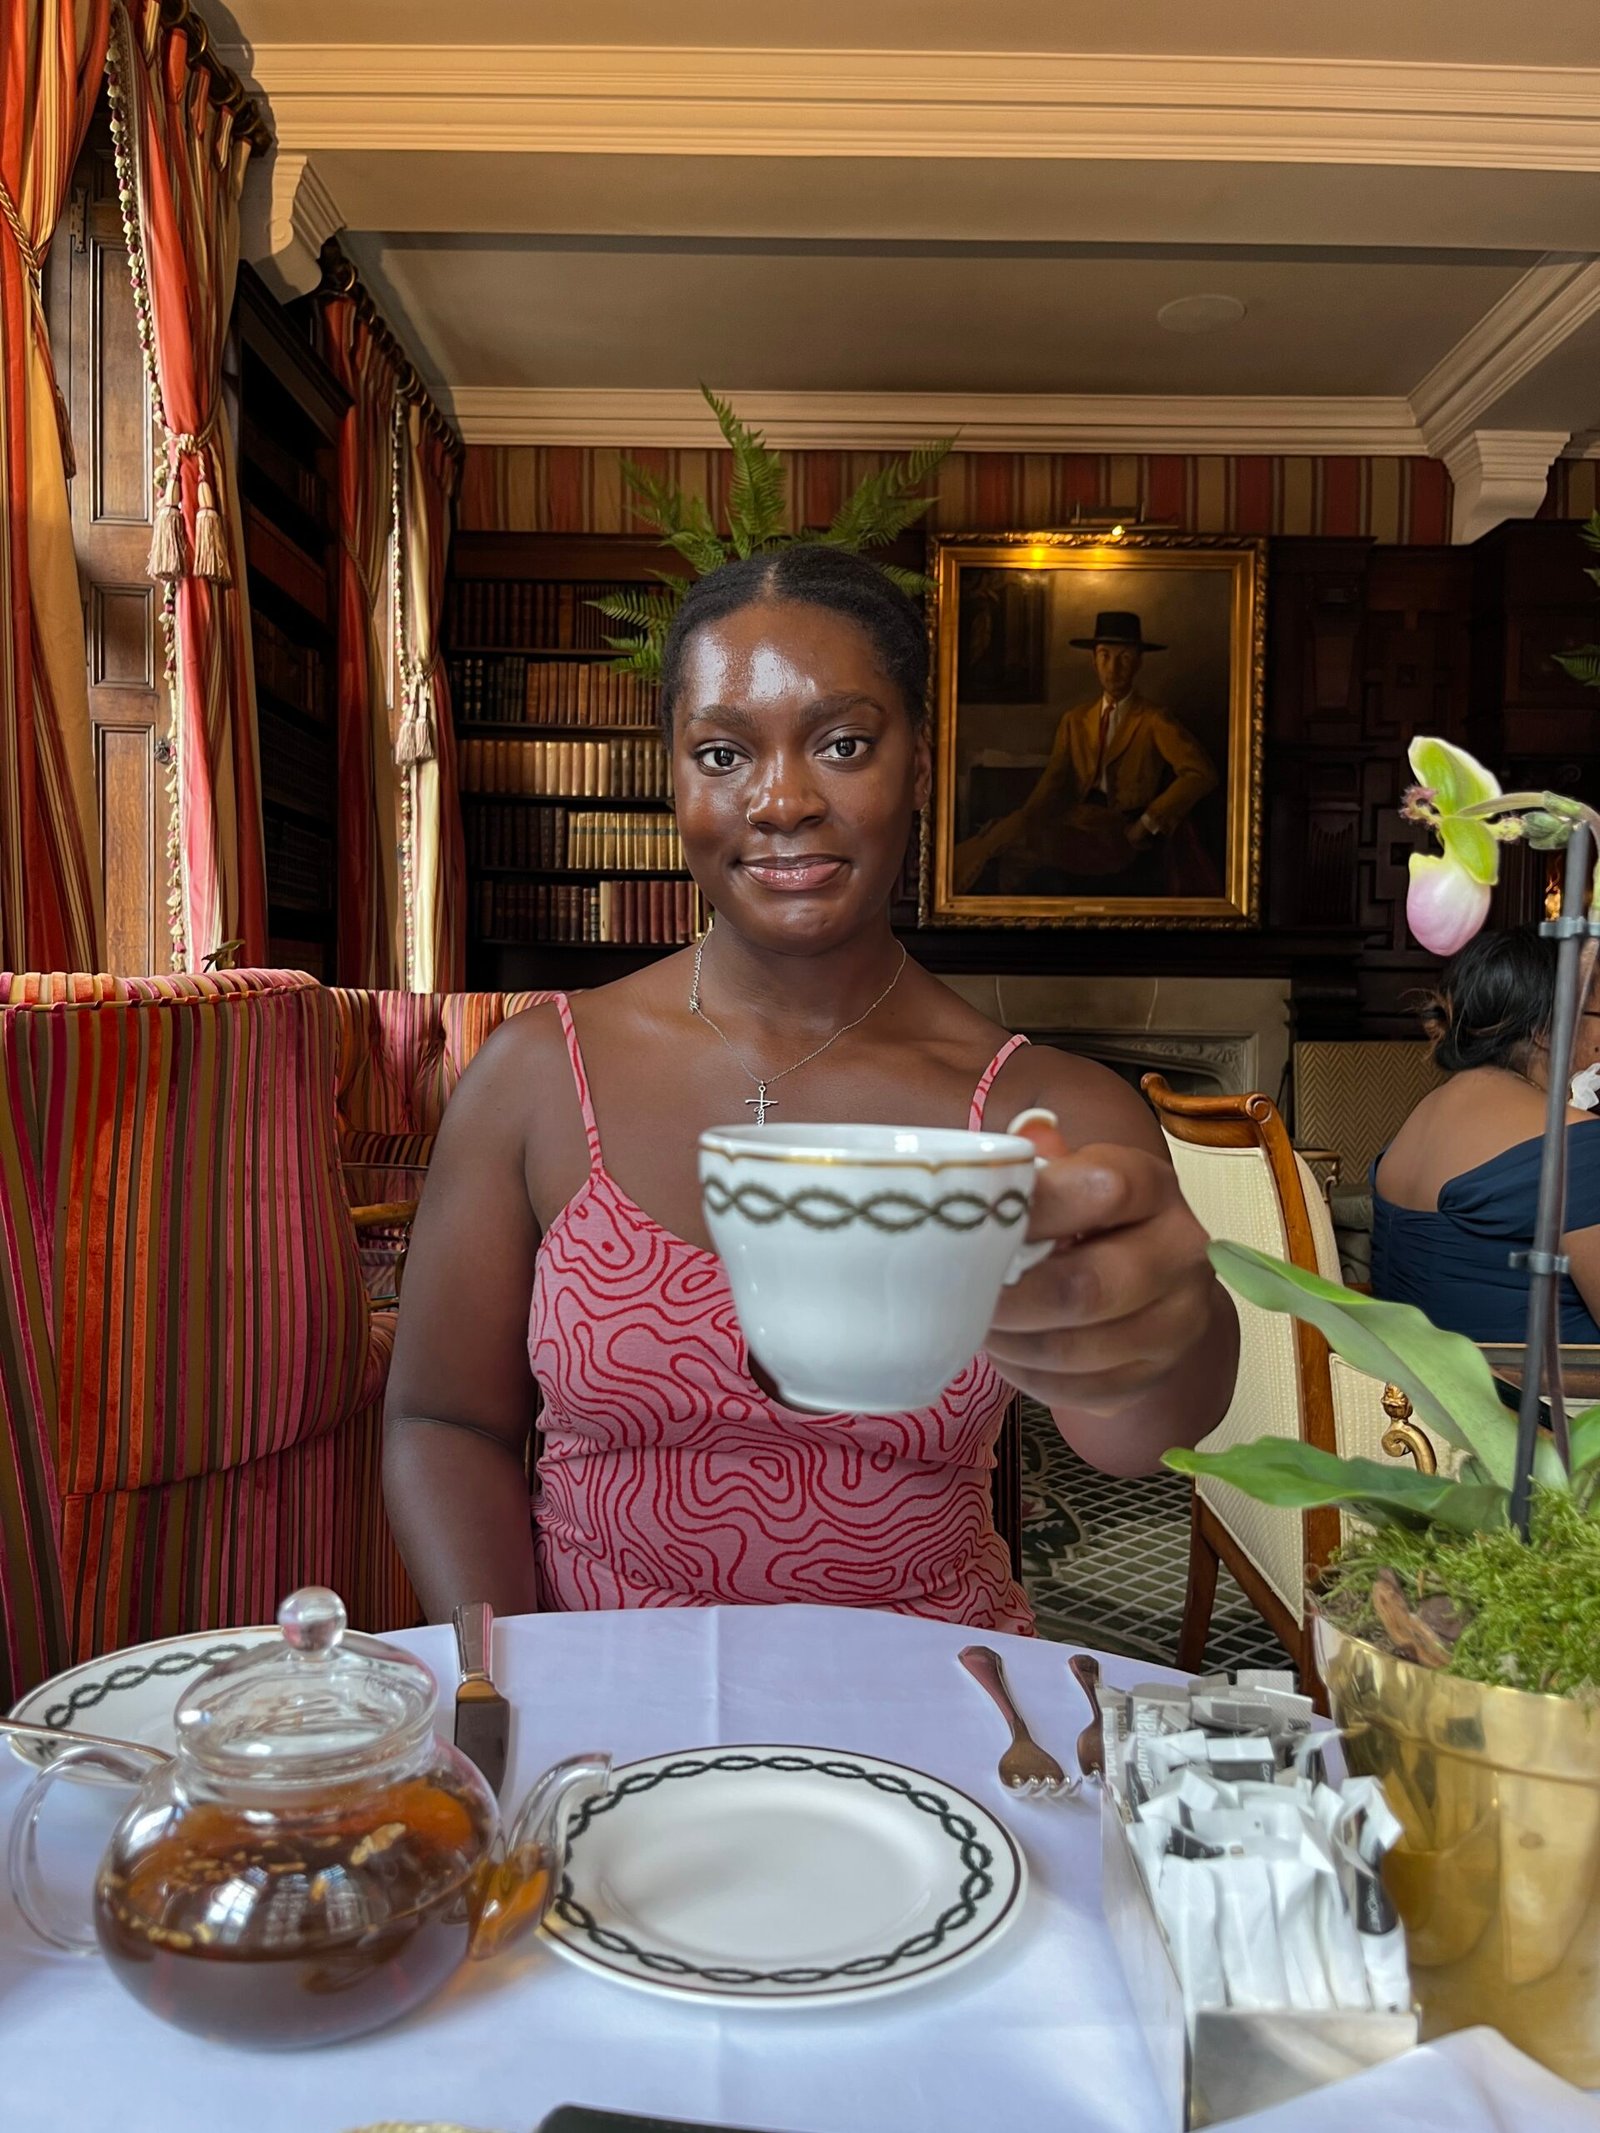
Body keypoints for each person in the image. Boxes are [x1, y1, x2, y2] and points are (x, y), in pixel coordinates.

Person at [383, 547, 1239, 1629]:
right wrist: (504, 1681)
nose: (782, 800)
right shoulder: (538, 1075)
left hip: (935, 1723)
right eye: (723, 753)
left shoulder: (1045, 1112)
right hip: (603, 1712)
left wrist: (1177, 1318)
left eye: (842, 744)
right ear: (676, 779)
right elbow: (441, 1420)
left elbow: (1132, 1440)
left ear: (919, 768)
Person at [1371, 925, 1600, 1343]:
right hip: (1533, 1403)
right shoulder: (1574, 1146)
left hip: (1409, 1397)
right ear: (1545, 1030)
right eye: (1595, 1015)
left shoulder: (1422, 1117)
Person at [953, 610, 1217, 895]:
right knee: (1006, 840)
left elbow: (1201, 773)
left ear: (1138, 662)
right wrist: (1022, 821)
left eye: (1124, 657)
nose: (1113, 668)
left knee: (1021, 847)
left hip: (1118, 832)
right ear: (1093, 661)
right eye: (1104, 656)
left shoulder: (1154, 720)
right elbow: (1053, 784)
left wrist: (1147, 822)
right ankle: (957, 894)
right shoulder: (1075, 720)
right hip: (1075, 821)